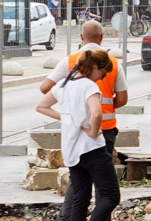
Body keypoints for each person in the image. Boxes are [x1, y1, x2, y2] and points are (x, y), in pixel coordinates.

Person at [37, 47, 120, 221]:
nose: (102, 77)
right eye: (102, 73)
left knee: (80, 197)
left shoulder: (64, 85)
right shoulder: (89, 86)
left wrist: (68, 119)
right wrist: (93, 130)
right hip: (91, 148)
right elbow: (97, 112)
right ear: (95, 67)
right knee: (111, 194)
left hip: (72, 151)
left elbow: (41, 106)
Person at [41, 21, 128, 160]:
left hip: (77, 127)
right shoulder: (113, 63)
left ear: (82, 37)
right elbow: (122, 99)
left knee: (78, 168)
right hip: (105, 127)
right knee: (102, 171)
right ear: (101, 37)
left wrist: (69, 103)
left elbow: (44, 87)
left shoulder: (69, 61)